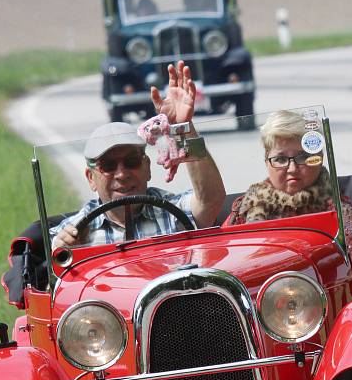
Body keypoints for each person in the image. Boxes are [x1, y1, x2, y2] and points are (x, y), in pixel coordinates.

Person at [51, 60, 225, 249]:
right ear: (91, 178)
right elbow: (55, 271)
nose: (122, 174)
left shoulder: (171, 213)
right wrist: (63, 255)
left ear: (147, 167)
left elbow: (210, 199)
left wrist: (183, 127)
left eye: (132, 162)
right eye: (108, 166)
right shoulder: (74, 232)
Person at [222, 110, 352, 246]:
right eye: (280, 159)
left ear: (319, 158)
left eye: (303, 157)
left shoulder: (338, 210)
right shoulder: (245, 210)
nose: (292, 169)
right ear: (267, 162)